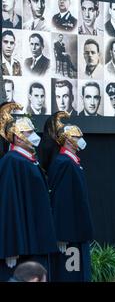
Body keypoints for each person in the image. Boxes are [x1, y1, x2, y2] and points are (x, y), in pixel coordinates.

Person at [0, 102, 57, 281]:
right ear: (17, 137)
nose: (34, 136)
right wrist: (11, 246)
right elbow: (8, 204)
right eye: (29, 133)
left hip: (36, 237)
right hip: (23, 244)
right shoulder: (11, 161)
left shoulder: (29, 159)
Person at [44, 112, 93, 282]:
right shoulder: (63, 162)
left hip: (76, 231)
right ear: (66, 139)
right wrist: (61, 234)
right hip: (69, 234)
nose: (80, 138)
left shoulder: (72, 161)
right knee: (70, 275)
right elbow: (60, 200)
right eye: (76, 136)